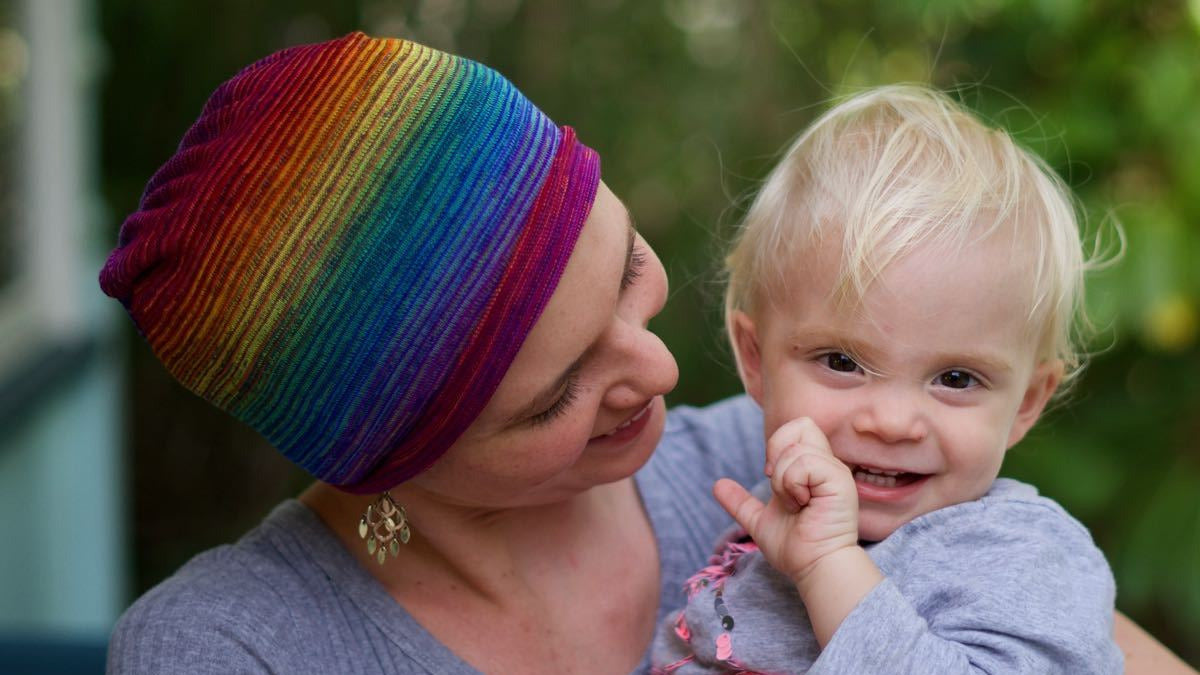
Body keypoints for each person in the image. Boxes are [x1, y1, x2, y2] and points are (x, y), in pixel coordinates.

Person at [99, 33, 1193, 675]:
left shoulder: (814, 475)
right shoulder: (236, 649)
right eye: (557, 393)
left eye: (627, 267)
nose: (664, 371)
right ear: (389, 458)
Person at [650, 86, 1122, 673]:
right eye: (841, 362)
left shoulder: (1024, 558)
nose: (893, 422)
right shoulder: (766, 519)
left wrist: (826, 567)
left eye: (956, 378)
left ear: (1026, 402)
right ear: (755, 360)